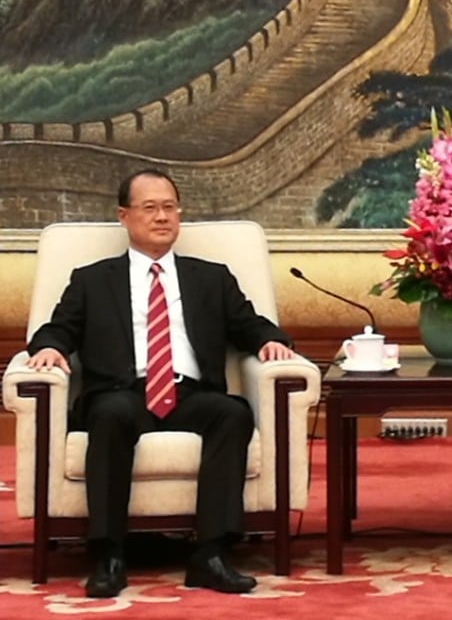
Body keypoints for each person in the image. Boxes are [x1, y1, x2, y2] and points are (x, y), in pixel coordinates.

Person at [25, 168, 296, 598]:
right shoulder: (92, 280)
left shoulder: (211, 278)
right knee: (110, 415)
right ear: (124, 215)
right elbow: (59, 329)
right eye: (150, 207)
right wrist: (50, 348)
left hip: (190, 394)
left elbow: (250, 325)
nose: (162, 217)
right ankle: (110, 555)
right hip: (121, 393)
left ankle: (210, 554)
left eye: (170, 207)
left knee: (232, 413)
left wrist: (270, 341)